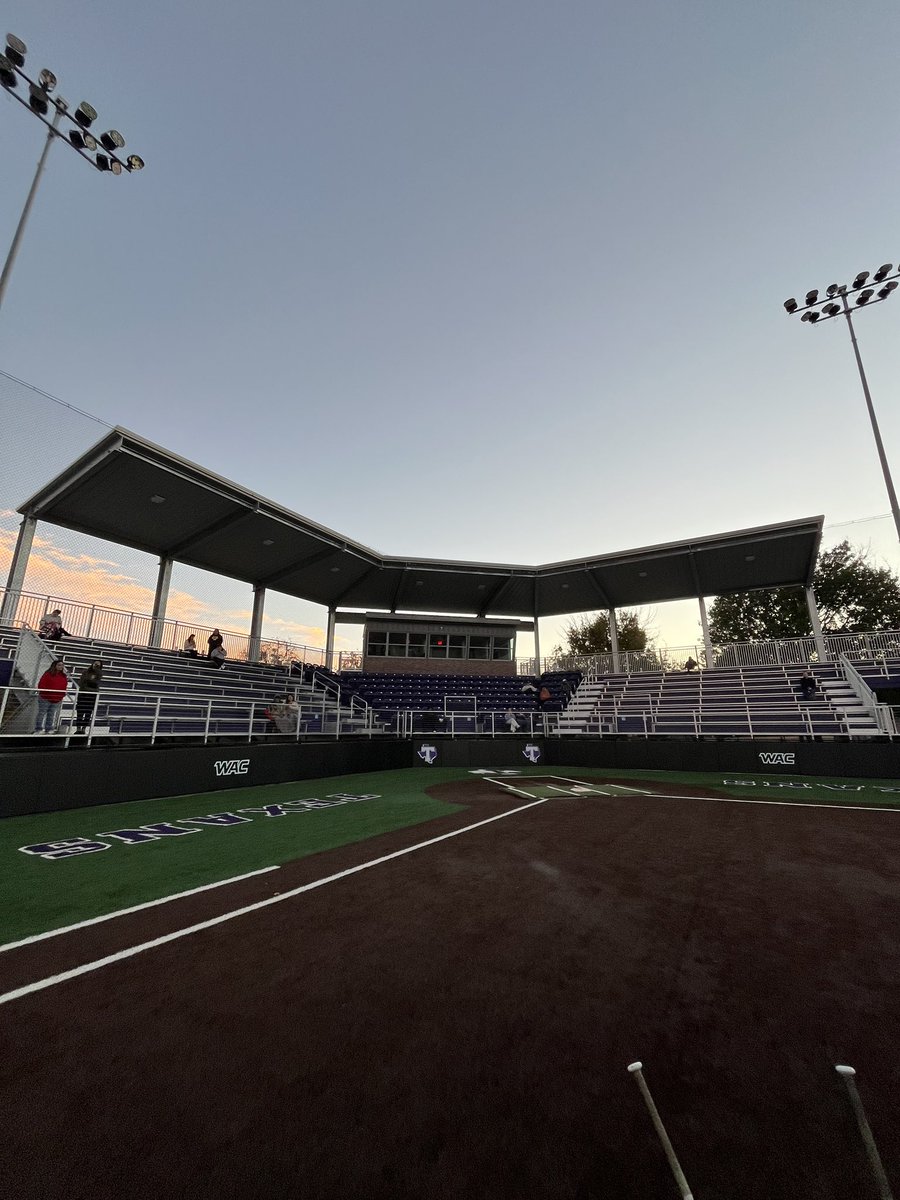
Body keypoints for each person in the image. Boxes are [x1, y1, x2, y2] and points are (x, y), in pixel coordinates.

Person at [33, 660, 68, 734]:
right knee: (41, 713)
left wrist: (61, 695)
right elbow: (42, 684)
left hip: (56, 699)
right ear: (54, 665)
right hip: (45, 698)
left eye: (62, 665)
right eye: (59, 665)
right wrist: (47, 693)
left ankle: (48, 729)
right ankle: (38, 729)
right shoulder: (48, 674)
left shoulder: (63, 676)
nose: (61, 667)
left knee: (51, 715)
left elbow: (64, 687)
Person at [75, 660, 103, 734]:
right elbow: (81, 684)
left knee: (88, 713)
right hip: (83, 695)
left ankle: (84, 728)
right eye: (95, 664)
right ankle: (78, 728)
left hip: (91, 697)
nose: (96, 666)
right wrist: (91, 686)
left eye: (98, 665)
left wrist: (89, 683)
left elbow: (96, 685)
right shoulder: (85, 672)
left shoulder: (99, 674)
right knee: (80, 712)